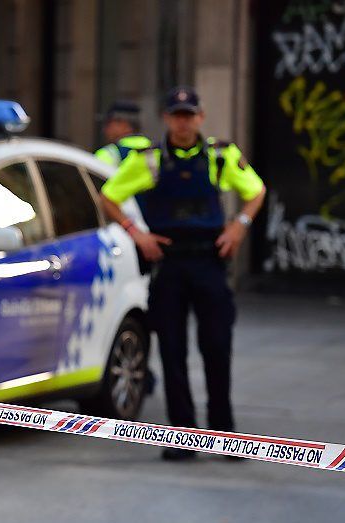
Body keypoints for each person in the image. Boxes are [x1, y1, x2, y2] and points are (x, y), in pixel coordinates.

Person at [99, 86, 266, 461]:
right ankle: (183, 437)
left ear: (201, 117)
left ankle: (225, 435)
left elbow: (255, 192)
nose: (183, 121)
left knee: (217, 348)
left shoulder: (221, 156)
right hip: (170, 265)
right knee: (172, 350)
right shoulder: (150, 160)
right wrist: (137, 233)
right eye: (176, 114)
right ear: (166, 118)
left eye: (189, 114)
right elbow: (108, 195)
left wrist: (239, 225)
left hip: (209, 263)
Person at [95, 101, 152, 168]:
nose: (104, 129)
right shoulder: (155, 151)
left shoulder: (107, 154)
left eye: (108, 124)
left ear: (125, 125)